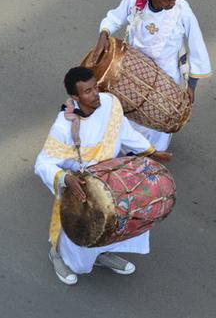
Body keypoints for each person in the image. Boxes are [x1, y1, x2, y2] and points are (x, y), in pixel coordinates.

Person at [34, 67, 171, 285]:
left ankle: (101, 254)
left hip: (114, 182)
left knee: (115, 224)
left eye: (95, 87)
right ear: (75, 97)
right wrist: (65, 178)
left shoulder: (110, 103)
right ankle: (58, 255)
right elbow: (42, 163)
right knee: (78, 233)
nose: (95, 93)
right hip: (82, 187)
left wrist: (151, 150)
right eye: (87, 91)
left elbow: (125, 132)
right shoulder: (63, 127)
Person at [91, 0, 212, 151]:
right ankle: (127, 152)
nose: (173, 3)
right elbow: (115, 17)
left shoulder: (182, 11)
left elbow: (197, 47)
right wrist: (104, 35)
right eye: (168, 0)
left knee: (159, 116)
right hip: (131, 68)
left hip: (166, 75)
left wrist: (192, 85)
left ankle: (153, 155)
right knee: (128, 111)